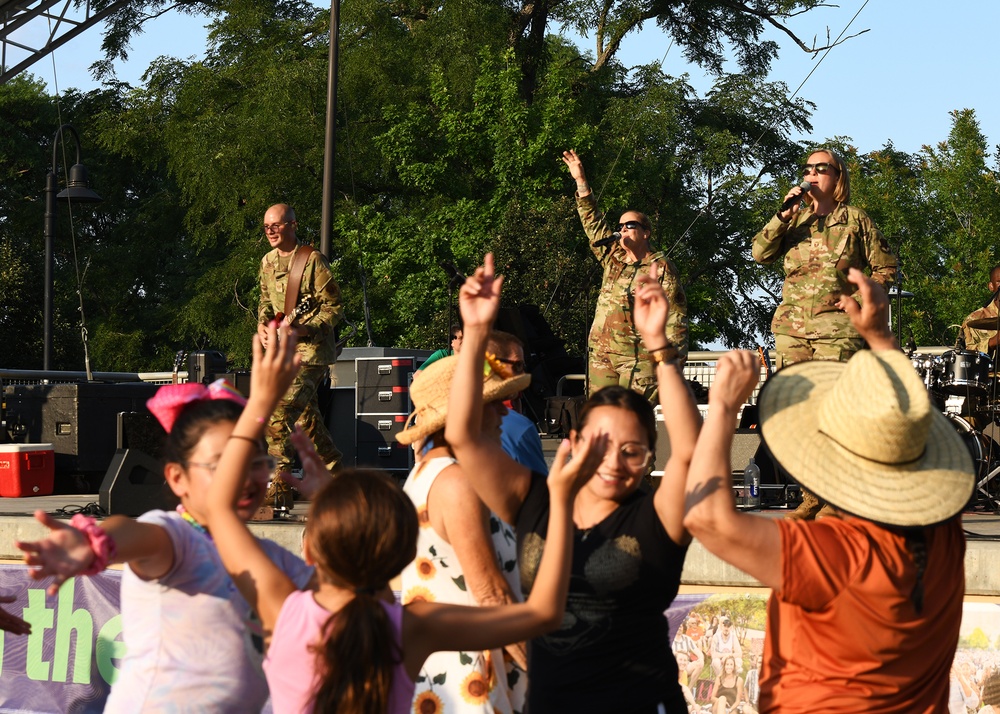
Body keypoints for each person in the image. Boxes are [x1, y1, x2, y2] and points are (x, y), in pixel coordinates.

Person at [202, 318, 609, 714]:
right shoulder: (409, 627)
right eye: (491, 402)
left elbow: (219, 510)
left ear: (311, 551)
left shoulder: (289, 612)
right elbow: (531, 610)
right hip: (474, 690)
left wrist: (261, 402)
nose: (504, 411)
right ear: (399, 553)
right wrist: (560, 496)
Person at [683, 267, 974, 712]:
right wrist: (880, 338)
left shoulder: (835, 555)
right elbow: (898, 421)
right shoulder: (945, 538)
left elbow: (707, 519)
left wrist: (722, 409)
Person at [445, 253, 702, 713]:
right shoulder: (537, 500)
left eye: (633, 450)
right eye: (602, 443)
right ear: (575, 439)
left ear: (648, 459)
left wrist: (658, 345)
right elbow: (463, 435)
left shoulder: (653, 516)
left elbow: (690, 453)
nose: (615, 461)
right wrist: (477, 334)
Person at [15, 379, 315, 712]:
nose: (243, 476)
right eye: (225, 464)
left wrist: (333, 502)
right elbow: (130, 532)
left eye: (254, 462)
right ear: (177, 478)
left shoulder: (270, 559)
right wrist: (92, 541)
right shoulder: (176, 537)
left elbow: (339, 598)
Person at [752, 148, 897, 519]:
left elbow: (887, 269)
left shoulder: (855, 220)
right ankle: (812, 495)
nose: (812, 174)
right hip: (792, 331)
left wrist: (859, 301)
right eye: (808, 168)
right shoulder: (793, 218)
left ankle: (836, 498)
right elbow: (759, 253)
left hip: (837, 331)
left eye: (822, 169)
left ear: (838, 178)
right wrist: (782, 214)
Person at [395, 353, 531, 713]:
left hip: (450, 675)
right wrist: (549, 670)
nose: (504, 411)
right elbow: (490, 594)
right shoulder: (455, 482)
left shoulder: (428, 473)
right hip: (473, 681)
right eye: (491, 402)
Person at [562, 150, 689, 400]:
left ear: (646, 233)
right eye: (620, 226)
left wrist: (672, 365)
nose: (622, 230)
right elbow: (593, 224)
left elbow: (676, 318)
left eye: (630, 226)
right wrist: (581, 181)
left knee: (631, 419)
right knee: (601, 419)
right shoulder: (614, 258)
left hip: (638, 357)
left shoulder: (660, 267)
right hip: (602, 355)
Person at [257, 203, 344, 508]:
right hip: (284, 351)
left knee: (278, 410)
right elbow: (266, 304)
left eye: (276, 226)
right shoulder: (267, 262)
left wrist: (303, 331)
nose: (270, 232)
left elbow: (334, 308)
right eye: (267, 227)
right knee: (307, 422)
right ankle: (335, 479)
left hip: (312, 352)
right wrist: (265, 327)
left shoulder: (311, 261)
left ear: (292, 226)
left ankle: (278, 481)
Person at [489, 329, 548, 475]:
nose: (522, 374)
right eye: (518, 365)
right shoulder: (520, 429)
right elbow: (538, 493)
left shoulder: (439, 424)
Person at [961, 264, 1000, 355]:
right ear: (991, 286)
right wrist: (991, 343)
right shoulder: (975, 319)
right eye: (999, 282)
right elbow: (966, 356)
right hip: (990, 368)